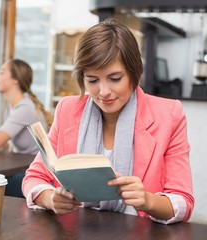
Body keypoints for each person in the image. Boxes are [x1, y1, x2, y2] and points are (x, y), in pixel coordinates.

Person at [22, 18, 194, 224]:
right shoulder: (68, 109)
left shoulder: (169, 114)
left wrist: (148, 201)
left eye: (114, 78)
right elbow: (34, 177)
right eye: (92, 80)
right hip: (76, 231)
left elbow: (184, 201)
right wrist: (50, 198)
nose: (103, 92)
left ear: (135, 72)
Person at [0, 59, 52, 197]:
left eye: (2, 73)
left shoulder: (24, 108)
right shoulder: (12, 107)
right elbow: (4, 146)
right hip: (27, 167)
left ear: (15, 80)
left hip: (39, 174)